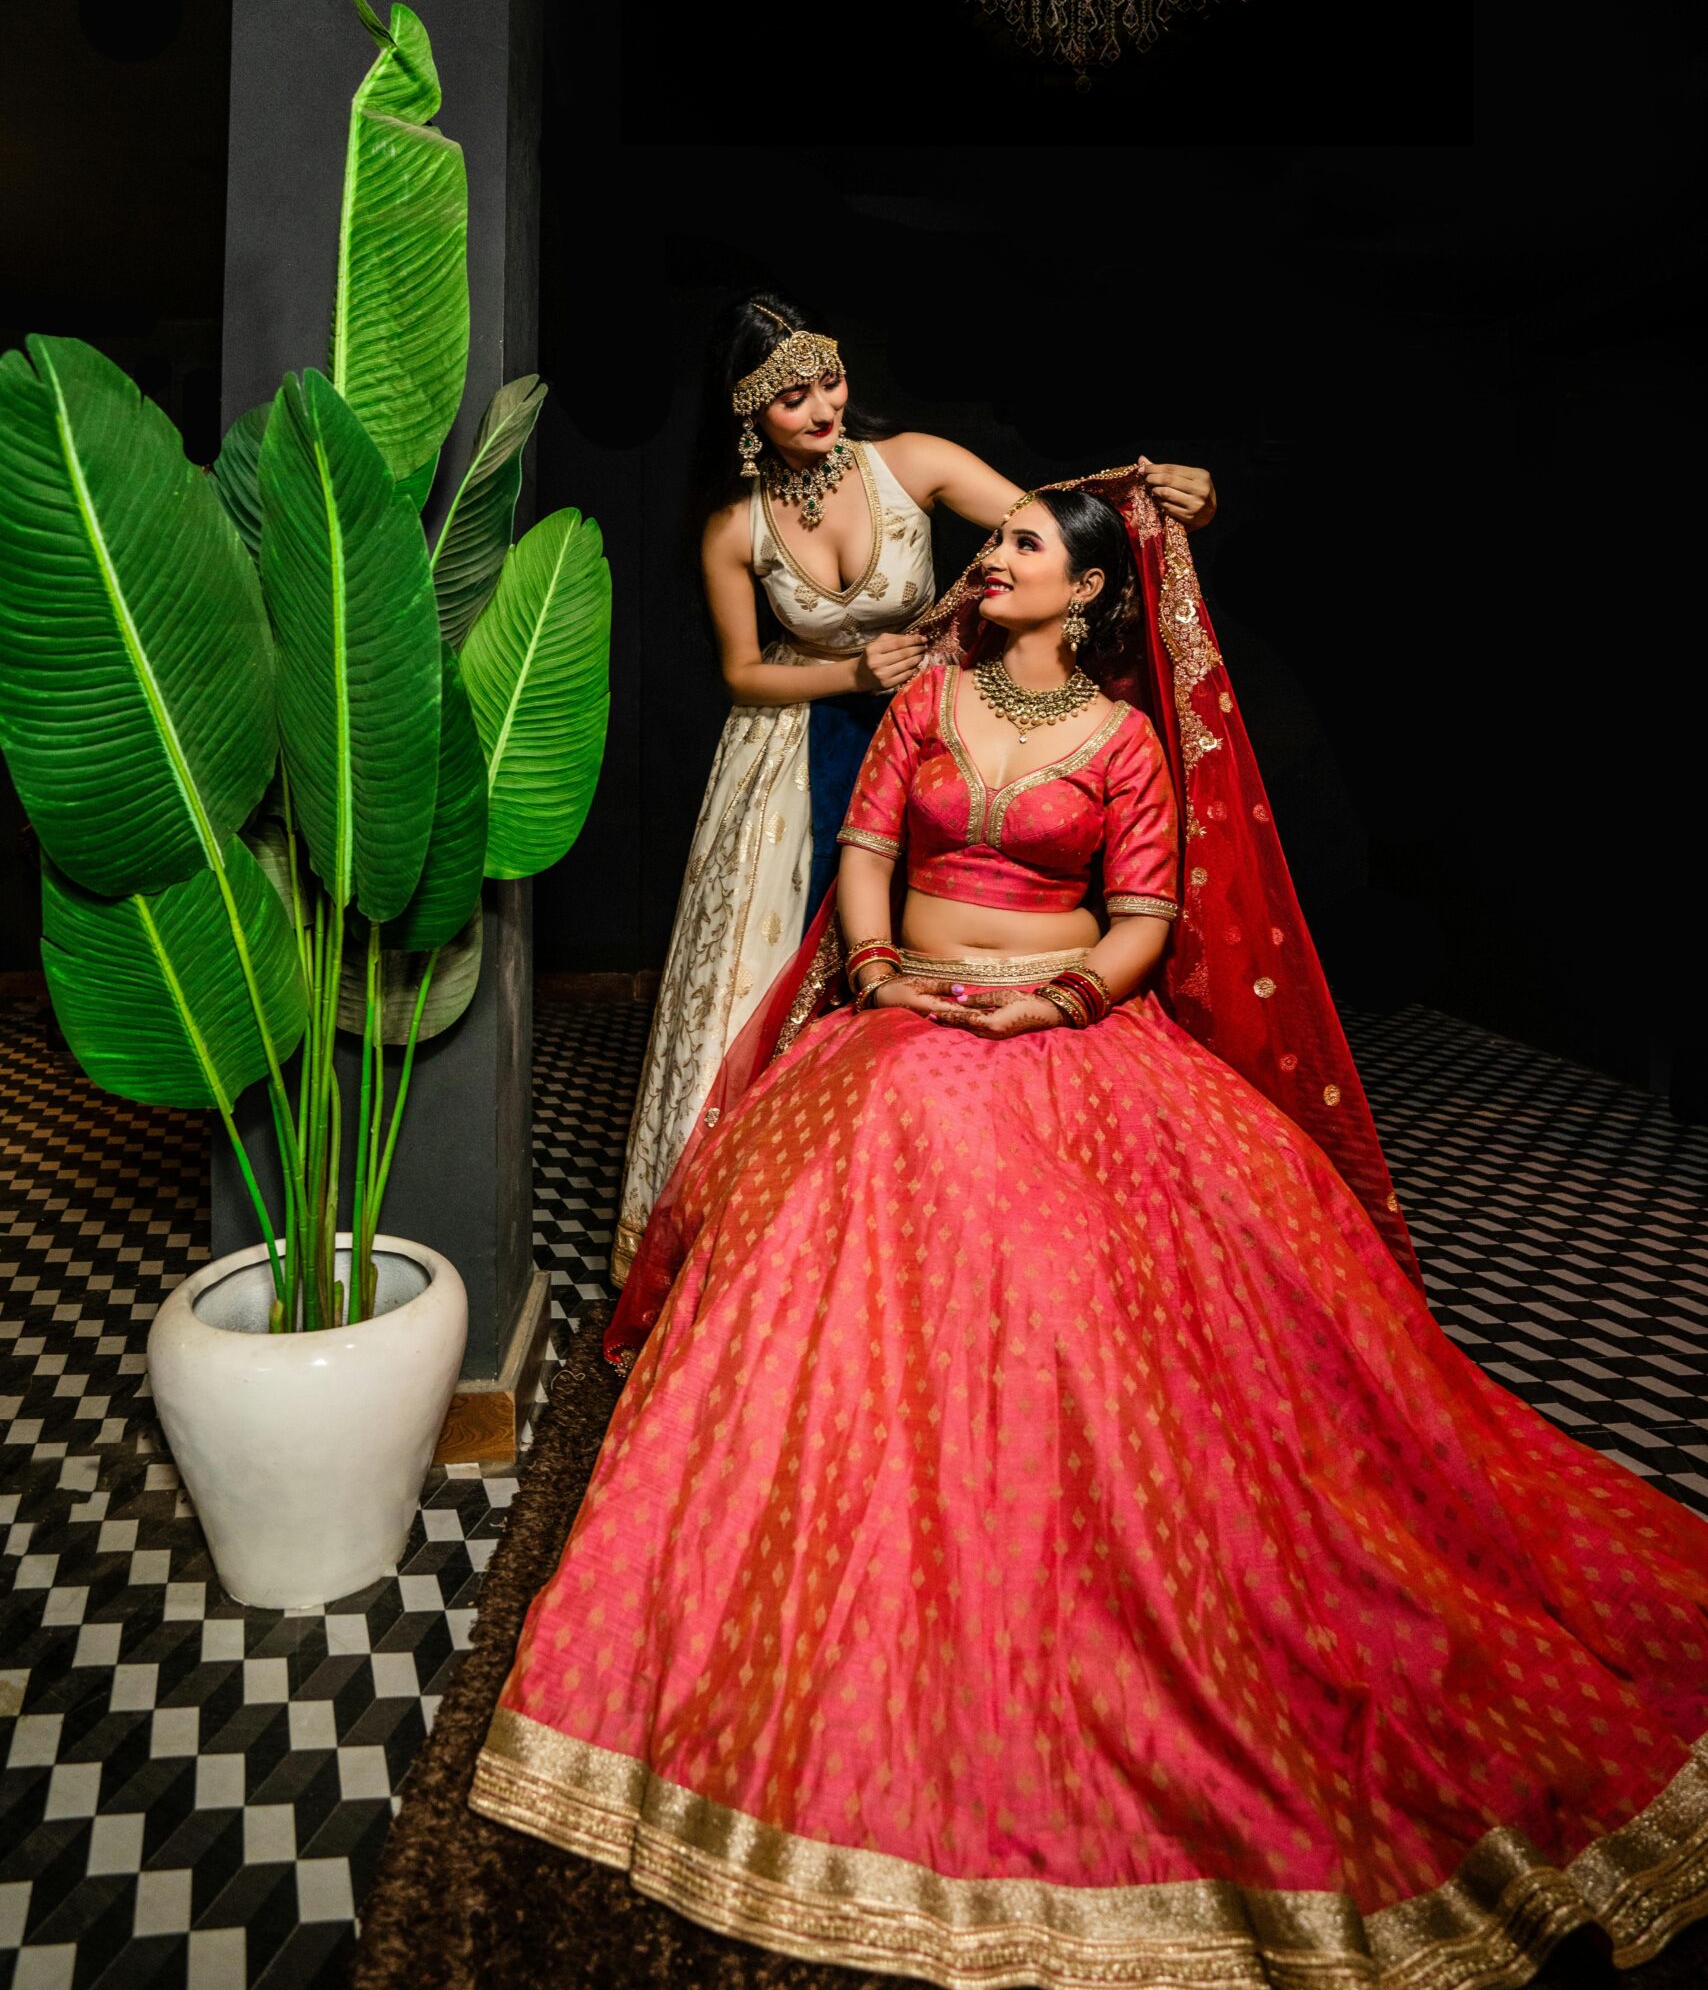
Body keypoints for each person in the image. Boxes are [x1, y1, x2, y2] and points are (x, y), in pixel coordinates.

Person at [471, 481, 1708, 1988]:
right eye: (994, 539)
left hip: (1069, 1027)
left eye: (1026, 545)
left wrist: (1055, 1001)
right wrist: (878, 968)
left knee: (1105, 1300)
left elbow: (1145, 917)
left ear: (1092, 592)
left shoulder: (1124, 741)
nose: (992, 557)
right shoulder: (927, 699)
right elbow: (864, 848)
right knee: (874, 1155)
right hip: (907, 1014)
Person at [610, 292, 1218, 1286]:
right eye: (792, 398)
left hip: (938, 730)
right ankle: (739, 1247)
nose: (823, 409)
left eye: (830, 382)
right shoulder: (734, 524)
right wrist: (852, 674)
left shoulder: (912, 463)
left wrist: (1171, 498)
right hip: (790, 750)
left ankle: (915, 1230)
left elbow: (1060, 530)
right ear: (747, 413)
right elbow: (742, 672)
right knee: (758, 988)